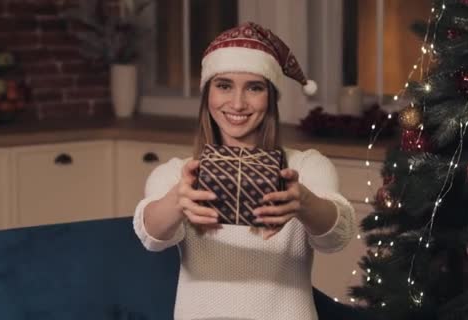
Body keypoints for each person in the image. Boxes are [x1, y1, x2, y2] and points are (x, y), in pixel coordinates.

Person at [133, 22, 357, 320]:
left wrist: (303, 203)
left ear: (271, 98)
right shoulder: (178, 174)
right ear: (207, 95)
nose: (237, 103)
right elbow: (150, 236)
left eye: (254, 87)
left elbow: (336, 238)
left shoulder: (306, 166)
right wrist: (179, 201)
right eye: (224, 85)